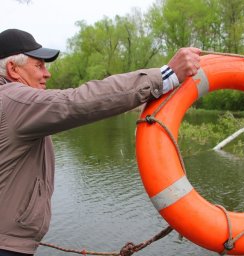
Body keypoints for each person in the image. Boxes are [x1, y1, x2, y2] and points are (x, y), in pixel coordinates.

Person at [0, 28, 201, 256]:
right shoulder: (13, 99)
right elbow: (77, 102)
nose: (47, 73)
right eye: (39, 65)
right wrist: (166, 75)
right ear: (13, 69)